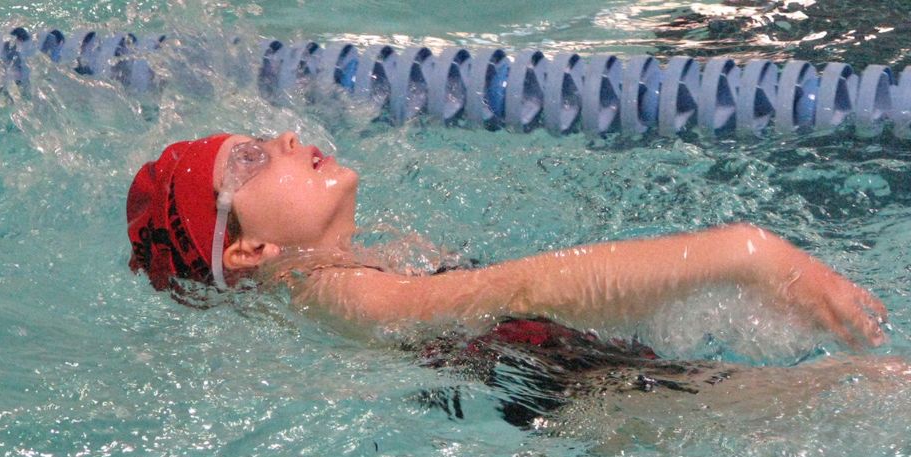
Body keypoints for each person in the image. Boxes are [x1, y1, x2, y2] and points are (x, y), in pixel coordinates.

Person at [127, 131, 888, 349]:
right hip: (593, 400)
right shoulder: (351, 294)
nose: (286, 137)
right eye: (252, 160)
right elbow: (520, 290)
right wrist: (742, 252)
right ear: (247, 251)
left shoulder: (356, 259)